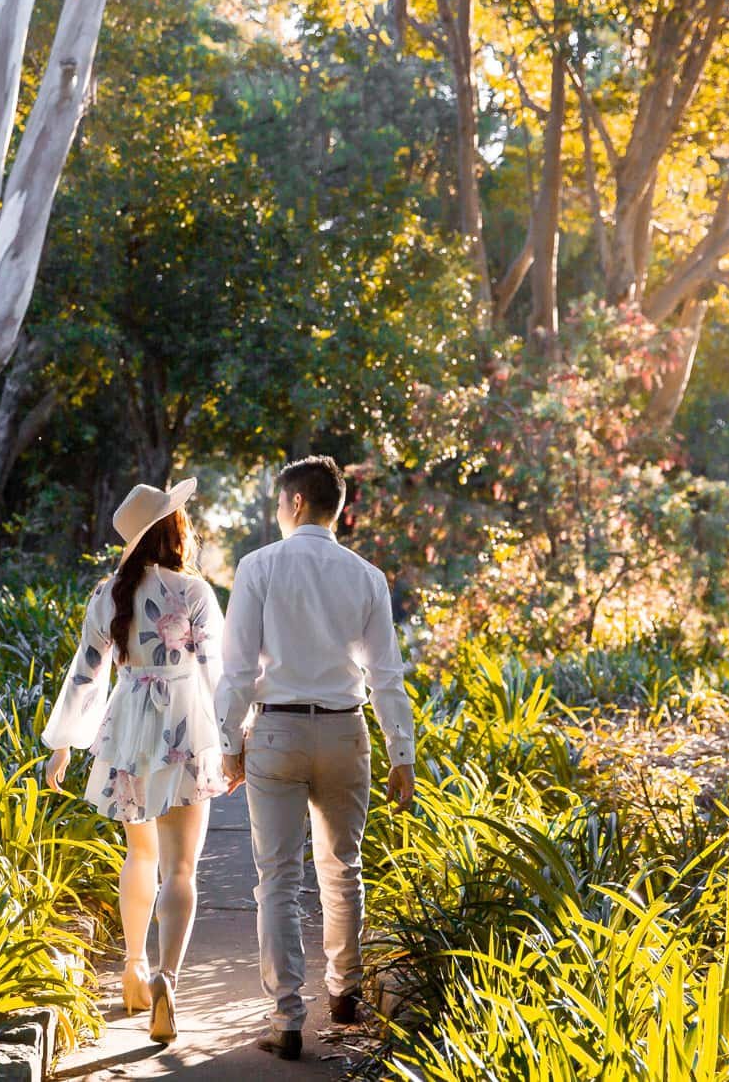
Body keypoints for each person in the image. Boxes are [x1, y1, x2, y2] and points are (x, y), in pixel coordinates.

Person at [216, 455, 417, 1061]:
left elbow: (237, 671)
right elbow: (385, 675)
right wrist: (400, 753)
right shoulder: (367, 577)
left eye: (280, 502)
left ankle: (286, 1019)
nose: (278, 512)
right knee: (342, 867)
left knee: (277, 877)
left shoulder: (258, 567)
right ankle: (345, 992)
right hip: (344, 733)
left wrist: (229, 743)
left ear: (296, 503)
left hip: (275, 732)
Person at [42, 477, 230, 1045]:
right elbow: (218, 676)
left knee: (139, 854)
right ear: (174, 530)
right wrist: (233, 743)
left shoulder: (107, 594)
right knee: (181, 867)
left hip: (127, 729)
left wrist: (63, 743)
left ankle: (132, 967)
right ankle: (168, 979)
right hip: (183, 729)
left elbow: (84, 675)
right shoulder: (193, 593)